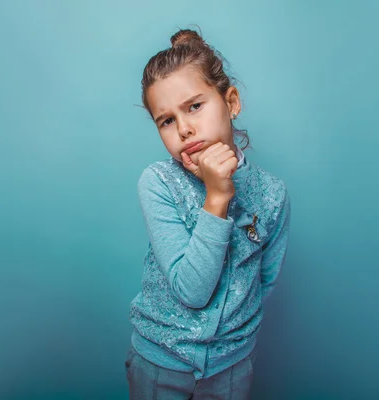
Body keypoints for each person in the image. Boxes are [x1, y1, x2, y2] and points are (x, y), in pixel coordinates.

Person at [125, 27, 291, 399]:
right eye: (166, 120)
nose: (184, 129)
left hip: (230, 366)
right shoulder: (158, 183)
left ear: (231, 102)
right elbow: (193, 291)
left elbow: (263, 281)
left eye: (194, 106)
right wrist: (216, 197)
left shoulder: (272, 194)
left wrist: (233, 338)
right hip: (161, 362)